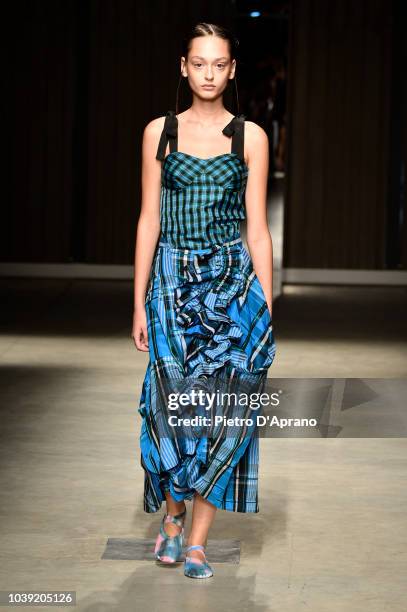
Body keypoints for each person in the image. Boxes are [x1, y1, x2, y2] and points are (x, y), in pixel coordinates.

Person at [132, 22, 276, 579]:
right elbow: (148, 219)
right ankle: (171, 518)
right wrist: (138, 300)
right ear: (184, 67)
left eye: (220, 64)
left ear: (232, 70)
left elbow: (258, 230)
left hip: (231, 286)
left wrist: (263, 308)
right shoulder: (159, 134)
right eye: (200, 63)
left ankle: (196, 542)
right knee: (170, 408)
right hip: (169, 282)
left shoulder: (250, 138)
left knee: (224, 413)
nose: (210, 73)